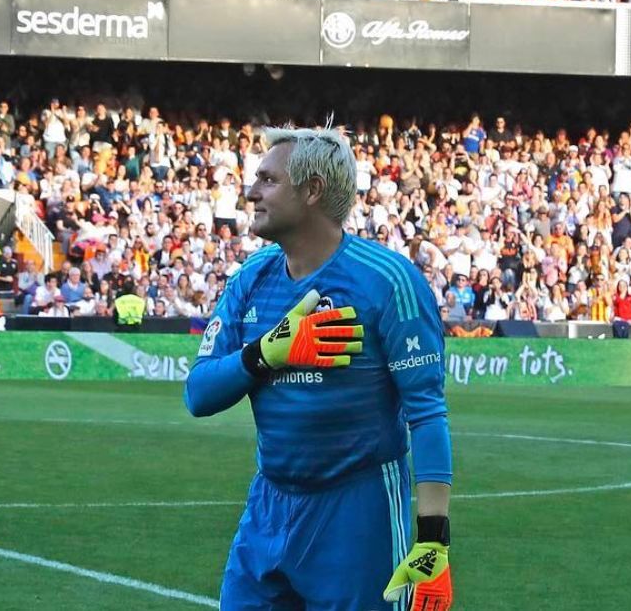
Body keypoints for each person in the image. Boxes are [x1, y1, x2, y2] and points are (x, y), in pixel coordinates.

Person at [184, 126, 453, 611]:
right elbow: (198, 395)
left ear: (312, 191)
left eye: (268, 180)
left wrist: (434, 541)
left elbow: (427, 413)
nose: (251, 192)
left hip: (357, 512)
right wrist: (266, 353)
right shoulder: (251, 277)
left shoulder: (388, 281)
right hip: (269, 505)